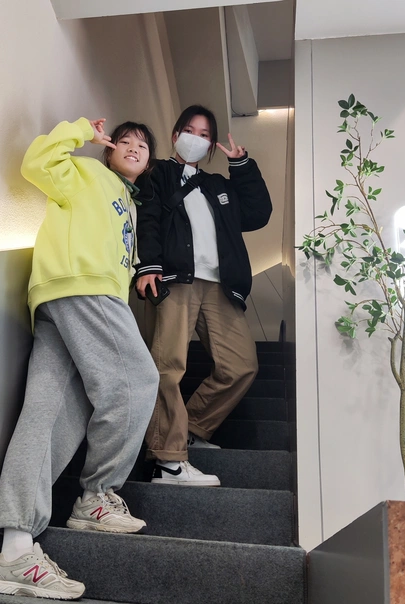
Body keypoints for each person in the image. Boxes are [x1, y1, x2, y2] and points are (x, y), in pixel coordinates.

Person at [0, 117, 160, 600]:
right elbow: (37, 162)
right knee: (137, 381)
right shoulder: (86, 172)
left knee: (49, 415)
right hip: (83, 288)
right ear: (109, 150)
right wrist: (81, 130)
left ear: (149, 162)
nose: (133, 147)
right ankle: (98, 495)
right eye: (124, 140)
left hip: (62, 298)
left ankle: (15, 550)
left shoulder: (129, 202)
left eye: (143, 145)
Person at [135, 105, 272, 487]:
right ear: (176, 134)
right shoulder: (157, 173)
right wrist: (149, 265)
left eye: (205, 134)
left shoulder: (218, 185)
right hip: (175, 279)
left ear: (211, 146)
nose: (196, 138)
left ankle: (192, 428)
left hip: (219, 285)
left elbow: (258, 214)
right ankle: (167, 460)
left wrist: (242, 166)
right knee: (168, 366)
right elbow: (147, 218)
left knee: (241, 365)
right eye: (190, 131)